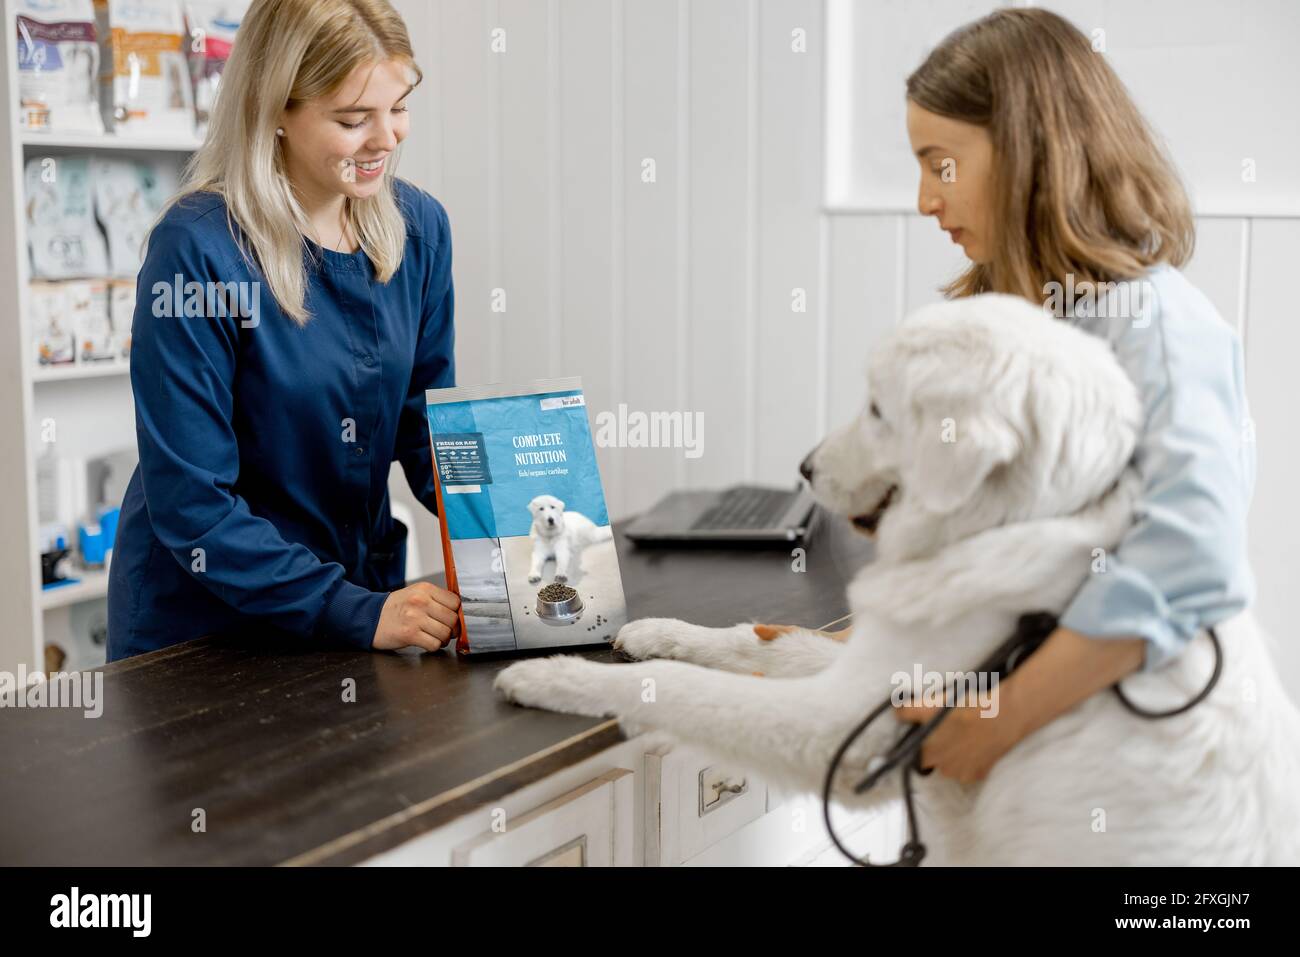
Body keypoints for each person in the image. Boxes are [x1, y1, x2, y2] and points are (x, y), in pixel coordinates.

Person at [887, 8, 1255, 781]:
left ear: (1029, 152)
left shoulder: (1156, 326)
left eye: (940, 164)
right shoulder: (1032, 323)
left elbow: (1191, 555)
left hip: (1129, 775)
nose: (926, 199)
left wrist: (996, 722)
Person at [107, 0, 462, 661]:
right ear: (276, 112)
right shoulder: (197, 250)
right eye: (354, 119)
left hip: (360, 609)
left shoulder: (421, 231)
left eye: (399, 107)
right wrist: (355, 610)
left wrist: (518, 525)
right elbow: (191, 504)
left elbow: (426, 426)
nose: (387, 139)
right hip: (208, 632)